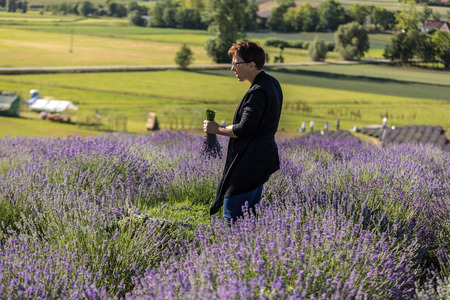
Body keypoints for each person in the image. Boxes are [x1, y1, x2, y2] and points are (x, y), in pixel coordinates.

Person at [203, 41, 283, 226]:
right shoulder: (271, 83)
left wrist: (217, 129)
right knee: (249, 220)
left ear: (251, 64)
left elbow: (244, 129)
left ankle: (233, 253)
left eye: (236, 63)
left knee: (232, 217)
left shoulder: (258, 91)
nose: (232, 68)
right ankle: (250, 252)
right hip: (262, 159)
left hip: (249, 162)